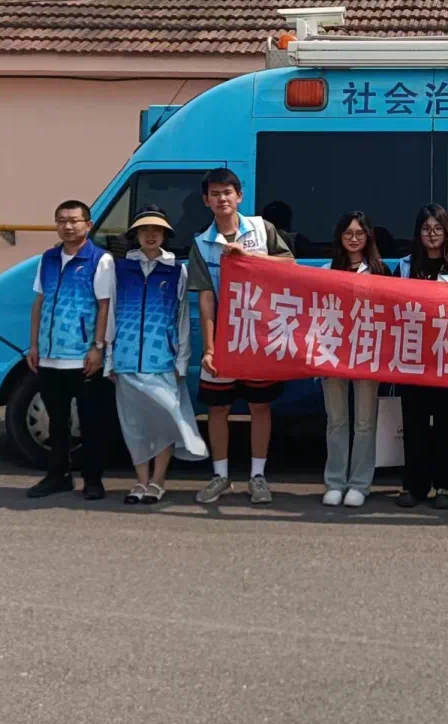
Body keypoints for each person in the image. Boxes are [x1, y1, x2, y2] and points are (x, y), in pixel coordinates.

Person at [186, 168, 295, 506]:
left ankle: (257, 477)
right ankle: (220, 476)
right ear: (206, 200)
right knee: (218, 409)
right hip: (224, 338)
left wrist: (250, 258)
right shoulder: (202, 243)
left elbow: (290, 265)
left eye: (227, 192)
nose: (222, 198)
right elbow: (206, 298)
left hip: (258, 335)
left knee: (259, 406)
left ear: (239, 196)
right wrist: (209, 348)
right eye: (215, 193)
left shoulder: (262, 229)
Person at [106, 206, 208, 504]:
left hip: (161, 359)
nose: (150, 235)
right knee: (134, 425)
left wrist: (182, 360)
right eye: (144, 230)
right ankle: (140, 482)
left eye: (157, 230)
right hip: (126, 360)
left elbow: (182, 319)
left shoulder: (176, 270)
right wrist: (109, 358)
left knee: (164, 420)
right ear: (136, 235)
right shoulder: (120, 269)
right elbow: (110, 314)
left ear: (165, 235)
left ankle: (158, 481)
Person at [25, 200, 116, 501]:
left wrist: (98, 348)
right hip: (50, 356)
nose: (68, 226)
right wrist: (34, 345)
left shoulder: (100, 260)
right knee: (57, 422)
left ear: (88, 225)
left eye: (74, 220)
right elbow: (39, 302)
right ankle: (58, 476)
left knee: (91, 423)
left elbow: (104, 306)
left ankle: (93, 479)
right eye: (62, 220)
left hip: (83, 356)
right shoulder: (49, 258)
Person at [396, 203, 448, 510]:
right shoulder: (405, 267)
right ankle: (414, 486)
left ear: (447, 232)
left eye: (438, 229)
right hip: (413, 357)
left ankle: (447, 487)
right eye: (426, 229)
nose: (432, 235)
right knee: (414, 424)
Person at [320, 210, 391, 508]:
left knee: (364, 422)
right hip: (333, 354)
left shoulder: (380, 271)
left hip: (367, 354)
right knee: (336, 421)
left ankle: (360, 484)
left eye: (359, 233)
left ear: (368, 237)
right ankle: (335, 481)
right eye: (348, 233)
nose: (353, 239)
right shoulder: (326, 270)